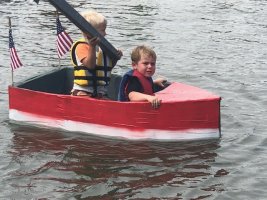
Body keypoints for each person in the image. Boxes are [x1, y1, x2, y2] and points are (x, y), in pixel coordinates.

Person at [70, 10, 122, 98]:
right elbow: (90, 66)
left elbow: (108, 68)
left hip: (100, 93)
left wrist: (115, 58)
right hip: (83, 92)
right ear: (90, 32)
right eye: (103, 30)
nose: (105, 33)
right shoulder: (81, 46)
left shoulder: (102, 48)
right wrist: (92, 47)